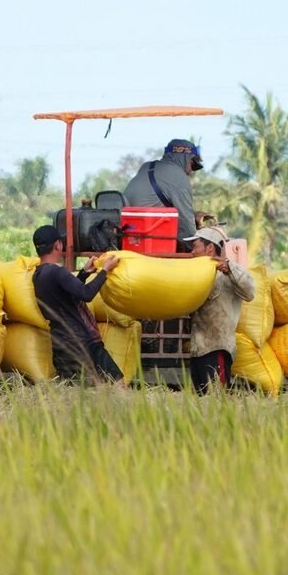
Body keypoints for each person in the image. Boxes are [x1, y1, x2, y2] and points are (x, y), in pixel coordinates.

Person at [30, 225, 124, 384]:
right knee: (118, 384)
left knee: (75, 395)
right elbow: (86, 294)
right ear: (58, 245)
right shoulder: (57, 272)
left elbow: (67, 294)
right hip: (83, 341)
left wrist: (84, 273)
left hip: (62, 343)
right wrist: (105, 271)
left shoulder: (38, 275)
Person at [183, 227, 255, 393]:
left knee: (216, 402)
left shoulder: (228, 273)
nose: (192, 252)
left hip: (217, 349)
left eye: (195, 247)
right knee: (201, 405)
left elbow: (250, 292)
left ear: (209, 248)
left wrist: (230, 268)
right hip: (198, 350)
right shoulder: (197, 275)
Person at [123, 139, 210, 247]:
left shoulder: (147, 166)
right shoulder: (178, 177)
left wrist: (194, 215)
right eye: (193, 164)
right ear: (184, 158)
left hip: (130, 235)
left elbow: (153, 201)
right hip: (152, 238)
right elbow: (186, 224)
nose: (191, 171)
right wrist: (194, 248)